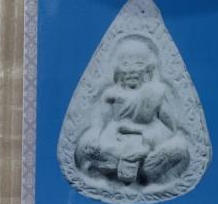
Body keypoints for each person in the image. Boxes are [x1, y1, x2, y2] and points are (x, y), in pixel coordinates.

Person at [75, 36, 190, 186]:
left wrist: (146, 143)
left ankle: (143, 167)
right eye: (125, 64)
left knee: (180, 148)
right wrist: (95, 139)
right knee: (84, 146)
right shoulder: (110, 94)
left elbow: (171, 128)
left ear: (148, 68)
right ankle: (126, 167)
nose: (132, 69)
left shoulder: (157, 92)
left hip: (148, 141)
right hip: (115, 142)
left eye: (139, 64)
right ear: (118, 68)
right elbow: (98, 124)